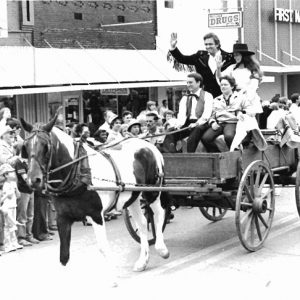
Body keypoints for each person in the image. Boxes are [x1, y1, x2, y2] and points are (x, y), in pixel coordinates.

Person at [168, 32, 235, 98]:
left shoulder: (229, 58)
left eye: (210, 44)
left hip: (224, 96)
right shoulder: (200, 57)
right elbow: (182, 59)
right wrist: (173, 47)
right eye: (206, 44)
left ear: (217, 44)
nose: (207, 47)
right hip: (205, 97)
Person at [163, 73, 214, 153]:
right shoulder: (185, 98)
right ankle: (171, 154)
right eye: (187, 82)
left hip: (201, 123)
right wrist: (178, 125)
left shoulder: (207, 96)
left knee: (193, 135)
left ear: (198, 83)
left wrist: (196, 123)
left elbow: (206, 114)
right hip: (187, 123)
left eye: (190, 82)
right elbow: (181, 115)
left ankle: (190, 158)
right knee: (171, 131)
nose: (188, 84)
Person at [202, 76, 251, 152]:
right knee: (205, 138)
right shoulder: (216, 100)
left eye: (225, 85)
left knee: (229, 136)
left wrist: (241, 113)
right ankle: (218, 155)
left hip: (232, 122)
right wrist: (212, 122)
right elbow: (211, 114)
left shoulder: (241, 97)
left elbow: (249, 110)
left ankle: (236, 155)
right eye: (221, 85)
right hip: (219, 123)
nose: (223, 87)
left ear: (232, 86)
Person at [216, 43, 263, 116]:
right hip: (235, 100)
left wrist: (242, 98)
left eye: (237, 55)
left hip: (250, 100)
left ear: (243, 55)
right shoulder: (232, 68)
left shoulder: (253, 69)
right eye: (234, 55)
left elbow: (253, 87)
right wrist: (218, 68)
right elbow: (221, 79)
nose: (235, 57)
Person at [0, 163, 23, 252]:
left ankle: (14, 242)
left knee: (13, 225)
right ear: (5, 175)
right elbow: (8, 197)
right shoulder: (5, 185)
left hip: (14, 206)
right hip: (7, 207)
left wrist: (16, 189)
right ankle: (7, 244)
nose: (13, 174)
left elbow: (18, 196)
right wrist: (9, 193)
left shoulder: (13, 183)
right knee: (7, 226)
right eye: (10, 173)